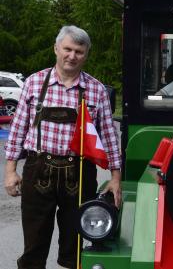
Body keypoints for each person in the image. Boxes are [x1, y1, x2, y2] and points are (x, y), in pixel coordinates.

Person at [3, 25, 122, 269]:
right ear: (56, 48)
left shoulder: (96, 90)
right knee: (34, 243)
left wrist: (116, 178)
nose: (72, 55)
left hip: (78, 172)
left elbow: (109, 137)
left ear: (86, 54)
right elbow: (17, 129)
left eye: (79, 51)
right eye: (67, 49)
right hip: (39, 169)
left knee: (75, 244)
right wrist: (10, 170)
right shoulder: (35, 83)